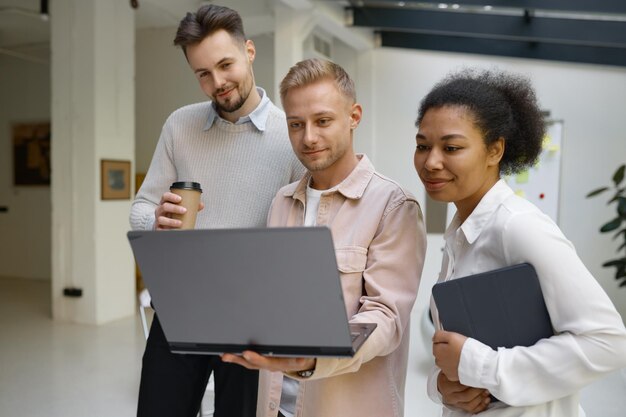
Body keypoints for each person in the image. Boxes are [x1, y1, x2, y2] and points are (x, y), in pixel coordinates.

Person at [413, 68, 626, 416]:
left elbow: (608, 342)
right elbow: (463, 355)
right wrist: (441, 387)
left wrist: (480, 366)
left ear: (495, 150)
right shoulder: (460, 234)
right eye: (423, 146)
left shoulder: (518, 226)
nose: (431, 161)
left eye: (451, 147)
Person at [221, 58, 427, 417]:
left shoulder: (394, 205)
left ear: (354, 116)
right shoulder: (281, 201)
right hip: (274, 407)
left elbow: (385, 318)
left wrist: (315, 356)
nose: (308, 137)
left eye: (323, 121)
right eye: (296, 124)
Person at [129, 4, 304, 417]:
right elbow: (140, 208)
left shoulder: (291, 136)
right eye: (203, 74)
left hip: (253, 315)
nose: (217, 83)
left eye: (225, 65)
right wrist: (155, 221)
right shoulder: (179, 125)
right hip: (180, 302)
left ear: (249, 51)